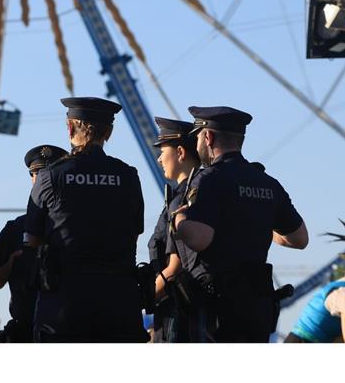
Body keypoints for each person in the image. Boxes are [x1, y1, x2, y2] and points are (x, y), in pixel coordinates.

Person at [171, 105, 309, 342]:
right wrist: (258, 221)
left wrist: (179, 220)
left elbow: (200, 239)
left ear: (208, 136)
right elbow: (299, 239)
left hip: (218, 307)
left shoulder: (210, 179)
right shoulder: (268, 183)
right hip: (257, 307)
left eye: (197, 138)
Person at [25, 97, 147, 342]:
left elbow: (32, 239)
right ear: (109, 132)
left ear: (70, 128)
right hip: (119, 303)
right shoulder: (128, 176)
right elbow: (134, 233)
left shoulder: (50, 176)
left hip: (63, 305)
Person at [0, 144, 69, 342]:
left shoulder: (78, 224)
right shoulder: (16, 228)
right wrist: (5, 269)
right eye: (36, 173)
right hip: (25, 330)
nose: (41, 179)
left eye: (48, 173)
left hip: (67, 329)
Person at [147, 116, 201, 342]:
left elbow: (174, 268)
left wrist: (139, 301)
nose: (159, 159)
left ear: (180, 152)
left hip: (177, 312)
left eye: (163, 151)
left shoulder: (182, 200)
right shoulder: (195, 192)